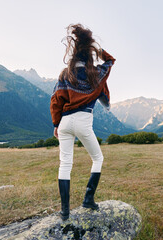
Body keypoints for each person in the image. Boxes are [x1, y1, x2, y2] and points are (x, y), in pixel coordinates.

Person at [50, 24, 116, 221]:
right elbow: (111, 60)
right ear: (88, 55)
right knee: (97, 159)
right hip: (83, 121)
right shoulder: (96, 74)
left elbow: (55, 100)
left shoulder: (65, 74)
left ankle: (65, 212)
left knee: (65, 164)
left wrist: (55, 124)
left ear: (73, 56)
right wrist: (97, 49)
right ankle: (88, 199)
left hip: (65, 122)